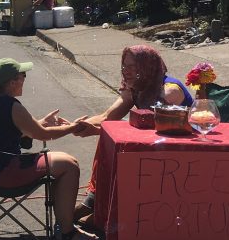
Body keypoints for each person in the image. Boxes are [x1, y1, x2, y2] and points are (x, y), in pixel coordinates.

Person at [0, 58, 101, 240]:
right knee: (69, 165)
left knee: (63, 162)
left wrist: (40, 123)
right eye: (22, 76)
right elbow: (43, 135)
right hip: (5, 174)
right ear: (12, 82)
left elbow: (13, 129)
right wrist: (73, 127)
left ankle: (64, 224)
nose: (25, 78)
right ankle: (67, 232)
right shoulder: (11, 106)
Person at [73, 44, 193, 221]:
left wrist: (97, 131)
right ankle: (96, 200)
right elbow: (107, 116)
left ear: (147, 66)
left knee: (115, 143)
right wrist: (72, 126)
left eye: (132, 66)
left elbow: (155, 126)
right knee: (109, 140)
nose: (126, 71)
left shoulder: (169, 91)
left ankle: (104, 208)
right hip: (152, 143)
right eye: (124, 66)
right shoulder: (136, 87)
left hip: (177, 147)